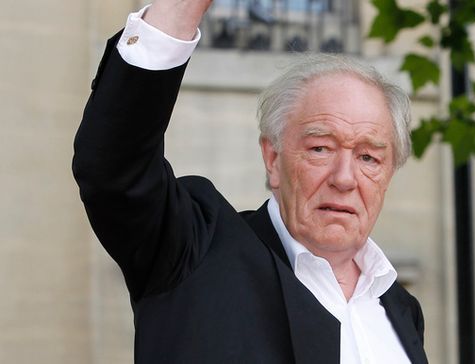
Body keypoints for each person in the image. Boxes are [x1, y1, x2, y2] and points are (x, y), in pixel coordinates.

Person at [73, 0, 427, 363]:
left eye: (368, 157)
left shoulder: (402, 310)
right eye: (320, 148)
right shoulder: (193, 251)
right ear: (273, 159)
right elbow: (114, 169)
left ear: (388, 174)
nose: (344, 178)